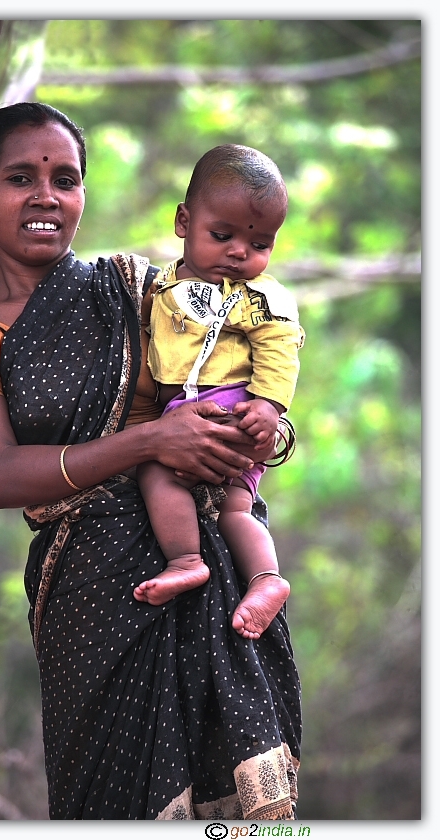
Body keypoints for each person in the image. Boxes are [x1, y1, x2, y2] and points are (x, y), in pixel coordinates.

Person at [0, 102, 302, 820]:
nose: (45, 196)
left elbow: (245, 361)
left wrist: (263, 429)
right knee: (113, 797)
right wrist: (150, 443)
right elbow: (0, 477)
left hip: (212, 564)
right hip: (90, 593)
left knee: (244, 800)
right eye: (19, 178)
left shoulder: (139, 291)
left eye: (64, 179)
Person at [133, 145, 305, 642]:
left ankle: (187, 559)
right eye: (222, 235)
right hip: (190, 408)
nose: (238, 253)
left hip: (230, 407)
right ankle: (267, 579)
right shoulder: (162, 286)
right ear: (183, 220)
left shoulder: (256, 297)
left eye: (259, 244)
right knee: (235, 509)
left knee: (154, 468)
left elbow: (280, 345)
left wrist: (268, 407)